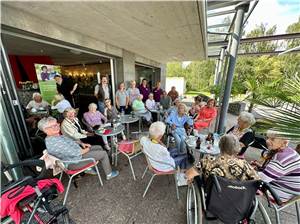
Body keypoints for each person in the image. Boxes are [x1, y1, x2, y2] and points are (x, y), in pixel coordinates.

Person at [38, 117, 118, 179]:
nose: (58, 126)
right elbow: (77, 153)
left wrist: (82, 144)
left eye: (57, 124)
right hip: (73, 162)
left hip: (75, 157)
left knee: (99, 147)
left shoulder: (54, 137)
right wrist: (87, 149)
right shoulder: (54, 142)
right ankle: (109, 174)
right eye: (54, 126)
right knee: (103, 154)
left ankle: (88, 169)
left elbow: (70, 142)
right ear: (46, 130)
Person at [186, 134, 259, 182]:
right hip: (239, 200)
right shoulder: (244, 164)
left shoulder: (208, 161)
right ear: (237, 148)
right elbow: (257, 182)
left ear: (220, 146)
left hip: (213, 197)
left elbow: (189, 175)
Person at [257, 130, 300, 202]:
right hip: (290, 190)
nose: (267, 141)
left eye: (272, 139)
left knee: (244, 181)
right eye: (267, 138)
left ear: (284, 143)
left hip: (280, 193)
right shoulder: (289, 151)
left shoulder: (281, 157)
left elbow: (262, 179)